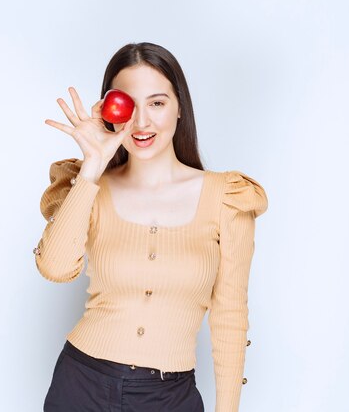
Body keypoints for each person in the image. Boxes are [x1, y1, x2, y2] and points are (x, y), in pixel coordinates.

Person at [34, 42, 267, 412]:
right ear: (110, 111)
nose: (141, 122)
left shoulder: (228, 197)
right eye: (128, 105)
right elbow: (56, 268)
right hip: (81, 387)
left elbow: (230, 318)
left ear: (179, 109)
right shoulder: (91, 185)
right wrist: (93, 166)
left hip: (170, 398)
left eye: (157, 103)